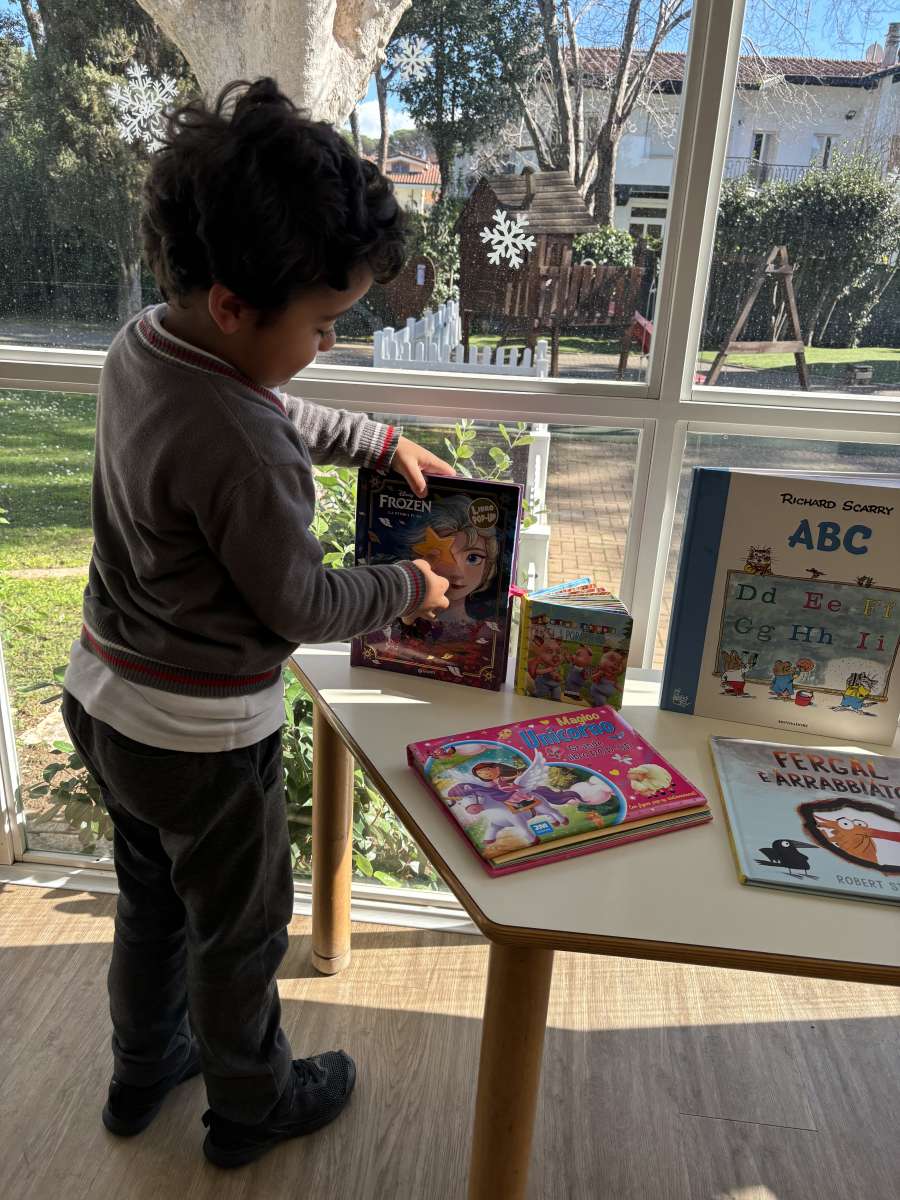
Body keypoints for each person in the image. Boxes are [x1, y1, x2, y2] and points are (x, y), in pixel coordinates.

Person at [59, 77, 453, 1169]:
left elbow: (269, 400)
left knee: (152, 904)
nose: (327, 343)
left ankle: (144, 1066)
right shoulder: (242, 444)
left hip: (105, 700)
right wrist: (409, 588)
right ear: (235, 304)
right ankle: (252, 1105)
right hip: (201, 742)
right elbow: (302, 604)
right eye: (323, 325)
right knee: (240, 932)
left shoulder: (148, 342)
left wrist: (376, 441)